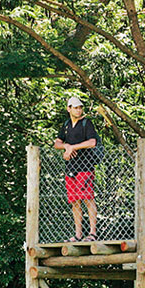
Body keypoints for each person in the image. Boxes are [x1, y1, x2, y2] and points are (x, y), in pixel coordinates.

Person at [53, 96, 98, 241]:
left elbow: (92, 142)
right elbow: (57, 143)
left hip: (85, 166)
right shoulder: (66, 125)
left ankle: (92, 233)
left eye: (80, 107)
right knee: (74, 201)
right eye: (75, 107)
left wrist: (73, 147)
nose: (78, 110)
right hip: (70, 167)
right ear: (69, 109)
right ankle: (78, 234)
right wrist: (66, 146)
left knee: (87, 198)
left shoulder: (86, 123)